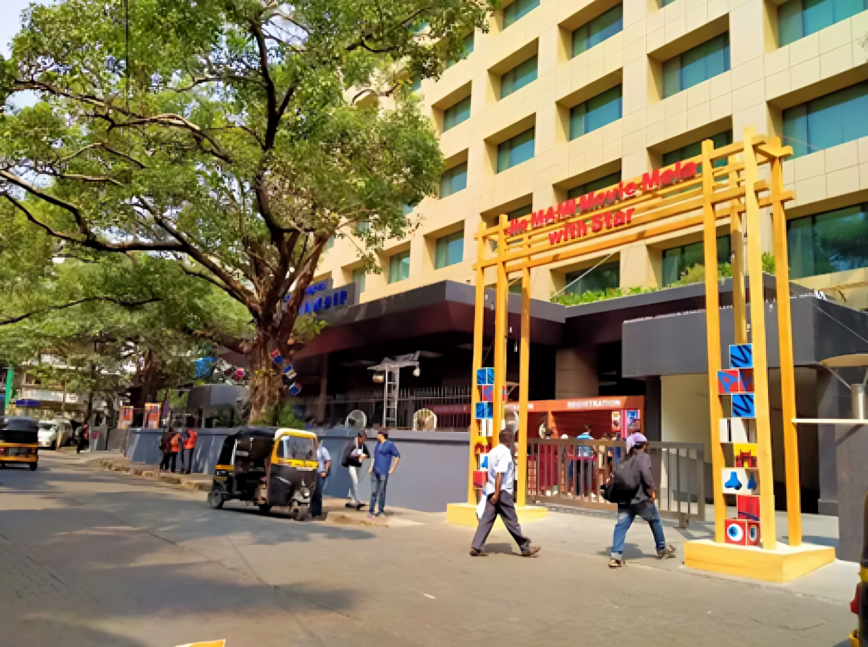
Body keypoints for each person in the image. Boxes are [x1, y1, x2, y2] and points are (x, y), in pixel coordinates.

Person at [609, 432, 676, 568]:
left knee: (621, 525)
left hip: (624, 498)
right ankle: (662, 549)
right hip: (640, 499)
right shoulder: (643, 457)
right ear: (643, 445)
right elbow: (646, 475)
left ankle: (615, 556)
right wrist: (652, 490)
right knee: (655, 520)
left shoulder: (625, 458)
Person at [470, 430, 540, 558]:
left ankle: (476, 546)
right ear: (510, 441)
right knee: (512, 521)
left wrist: (493, 493)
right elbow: (499, 474)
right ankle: (525, 547)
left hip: (491, 490)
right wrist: (497, 494)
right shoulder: (505, 454)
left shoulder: (492, 452)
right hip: (502, 492)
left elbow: (490, 472)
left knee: (486, 520)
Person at [368, 428, 400, 519]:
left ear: (382, 435)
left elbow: (397, 456)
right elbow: (374, 457)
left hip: (383, 471)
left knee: (382, 491)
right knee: (374, 491)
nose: (377, 435)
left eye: (378, 434)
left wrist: (392, 469)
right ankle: (371, 511)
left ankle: (381, 510)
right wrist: (371, 467)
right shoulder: (377, 445)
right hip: (375, 471)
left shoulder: (389, 444)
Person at [341, 430, 369, 510]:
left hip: (358, 465)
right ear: (359, 437)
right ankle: (358, 500)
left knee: (355, 483)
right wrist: (358, 455)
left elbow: (368, 454)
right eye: (363, 438)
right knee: (355, 482)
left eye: (365, 439)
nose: (364, 440)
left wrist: (364, 456)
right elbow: (347, 456)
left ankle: (353, 500)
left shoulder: (363, 445)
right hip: (352, 465)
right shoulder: (352, 444)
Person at [312, 441, 331, 519]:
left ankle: (318, 511)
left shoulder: (323, 450)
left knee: (318, 493)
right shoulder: (311, 450)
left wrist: (325, 471)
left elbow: (328, 461)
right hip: (312, 473)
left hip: (320, 473)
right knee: (313, 492)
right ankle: (313, 511)